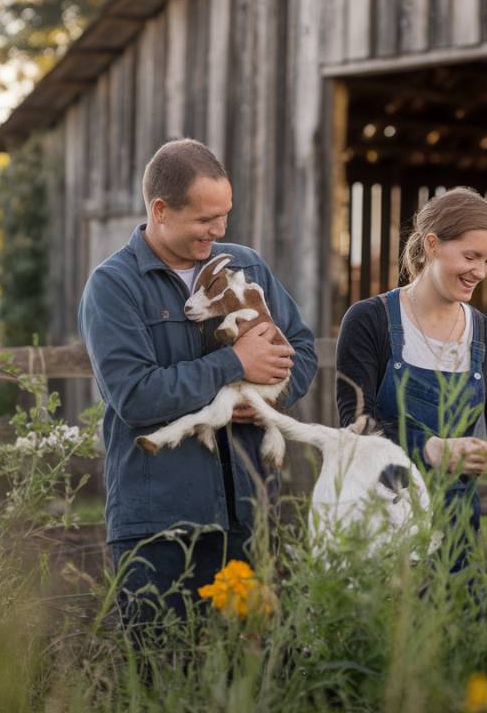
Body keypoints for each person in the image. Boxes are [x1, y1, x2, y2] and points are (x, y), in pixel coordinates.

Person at [78, 138, 317, 631]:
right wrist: (233, 362)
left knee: (251, 672)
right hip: (160, 524)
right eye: (206, 219)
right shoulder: (114, 286)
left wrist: (267, 399)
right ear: (161, 210)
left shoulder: (245, 265)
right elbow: (136, 396)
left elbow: (303, 352)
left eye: (225, 215)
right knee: (163, 672)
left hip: (251, 515)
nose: (220, 229)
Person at [335, 187, 487, 569]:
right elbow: (355, 427)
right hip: (378, 523)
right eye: (471, 256)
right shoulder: (369, 321)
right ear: (433, 244)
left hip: (457, 535)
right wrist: (431, 448)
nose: (481, 272)